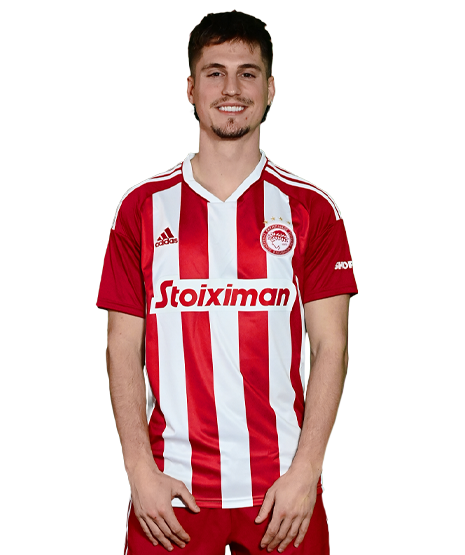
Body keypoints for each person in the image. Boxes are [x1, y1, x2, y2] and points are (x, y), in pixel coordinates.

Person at [97, 10, 357, 555]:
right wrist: (138, 472)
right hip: (171, 491)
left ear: (270, 90)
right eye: (215, 73)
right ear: (191, 90)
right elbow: (122, 347)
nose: (232, 89)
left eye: (247, 73)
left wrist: (307, 471)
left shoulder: (312, 209)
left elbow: (331, 346)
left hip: (282, 491)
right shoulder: (141, 208)